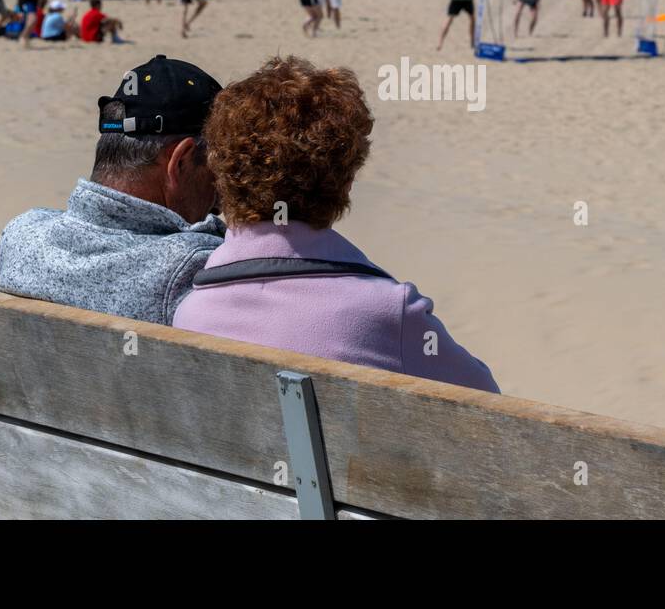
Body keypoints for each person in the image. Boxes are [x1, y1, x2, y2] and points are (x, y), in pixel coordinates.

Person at [173, 56, 498, 392]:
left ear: (221, 174)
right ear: (345, 181)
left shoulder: (191, 314)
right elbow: (486, 401)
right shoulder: (387, 312)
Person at [0, 56, 226, 323]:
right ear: (181, 162)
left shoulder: (20, 236)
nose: (220, 198)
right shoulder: (197, 268)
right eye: (219, 166)